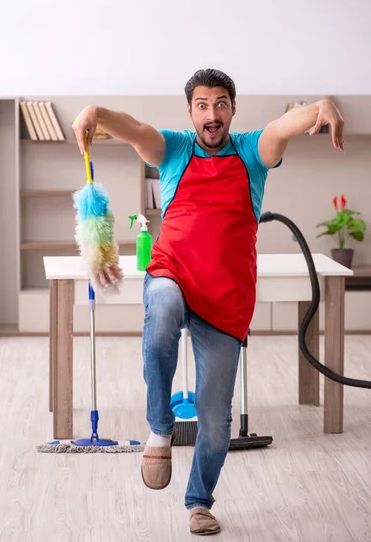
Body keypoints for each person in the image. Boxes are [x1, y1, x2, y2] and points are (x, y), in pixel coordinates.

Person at [73, 69, 344, 536]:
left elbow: (282, 127)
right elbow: (135, 128)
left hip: (228, 297)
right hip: (172, 273)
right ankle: (160, 427)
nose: (212, 114)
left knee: (216, 422)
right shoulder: (174, 148)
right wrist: (97, 113)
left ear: (233, 109)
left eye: (221, 104)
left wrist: (319, 107)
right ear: (190, 111)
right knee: (159, 315)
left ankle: (199, 501)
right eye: (203, 105)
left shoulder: (251, 152)